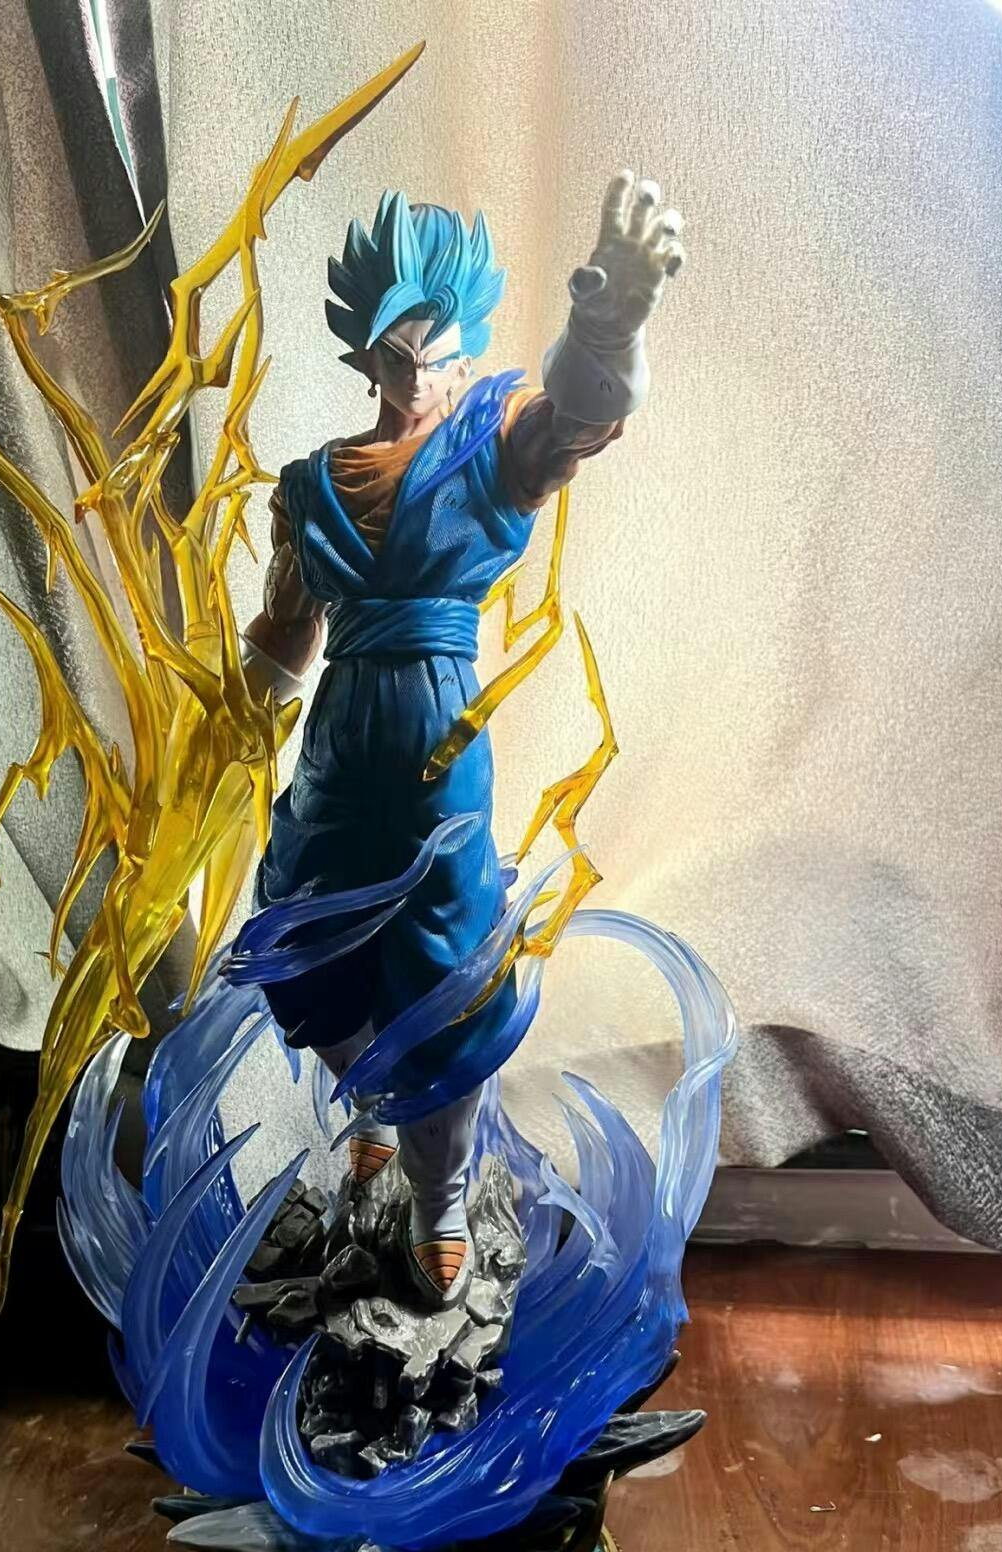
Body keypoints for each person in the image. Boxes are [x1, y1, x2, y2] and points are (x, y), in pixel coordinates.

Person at [240, 172, 684, 1306]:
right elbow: (286, 633)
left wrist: (608, 324)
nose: (419, 374)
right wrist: (231, 724)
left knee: (449, 971)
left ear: (463, 347)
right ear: (368, 352)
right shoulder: (313, 483)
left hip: (441, 746)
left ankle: (438, 1192)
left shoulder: (488, 450)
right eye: (399, 350)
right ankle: (372, 1108)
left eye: (437, 350)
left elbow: (573, 420)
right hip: (339, 750)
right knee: (306, 940)